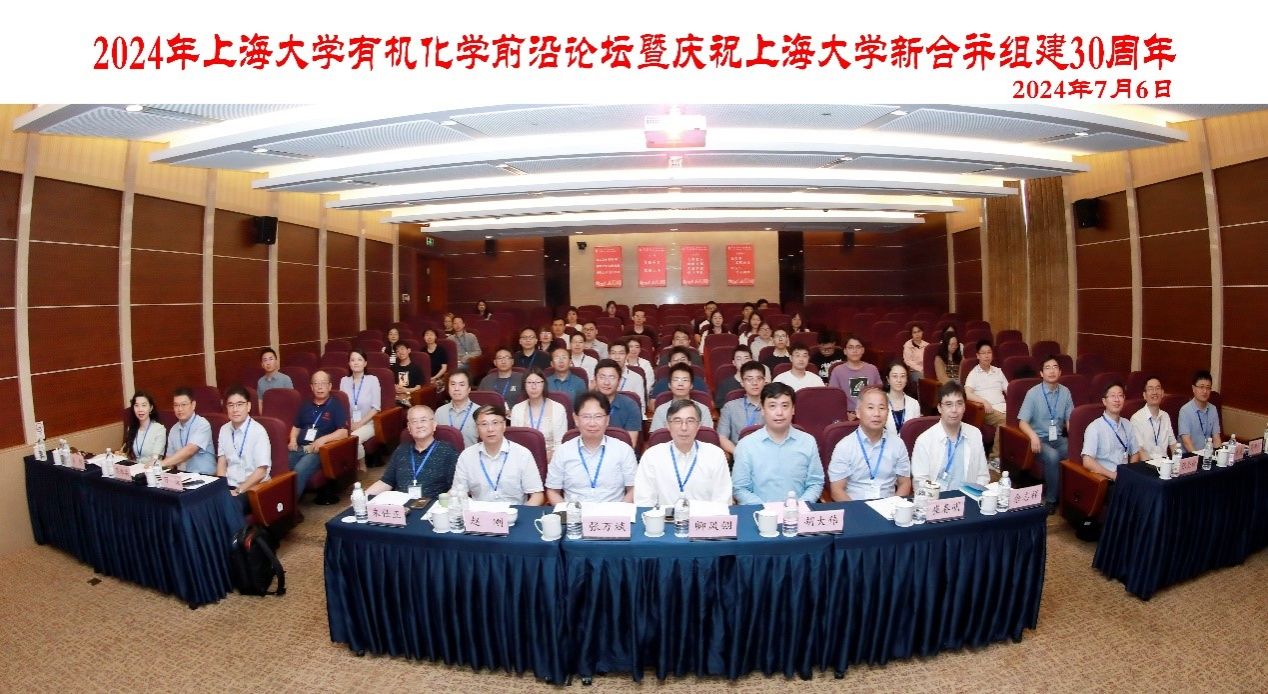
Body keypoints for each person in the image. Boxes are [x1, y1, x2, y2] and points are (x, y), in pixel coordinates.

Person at [732, 382, 824, 504]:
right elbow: (740, 488)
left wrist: (799, 506)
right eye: (772, 406)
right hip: (759, 512)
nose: (779, 412)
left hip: (799, 511)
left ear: (793, 409)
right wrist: (766, 509)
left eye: (785, 406)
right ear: (763, 410)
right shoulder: (746, 445)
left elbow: (815, 483)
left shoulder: (808, 441)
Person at [635, 400, 733, 507]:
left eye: (690, 421)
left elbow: (722, 500)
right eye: (677, 421)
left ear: (698, 425)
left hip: (705, 516)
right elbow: (644, 501)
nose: (684, 427)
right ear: (668, 425)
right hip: (664, 517)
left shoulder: (715, 455)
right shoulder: (652, 456)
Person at [545, 391, 638, 503]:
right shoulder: (563, 451)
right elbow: (552, 491)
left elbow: (633, 489)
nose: (592, 423)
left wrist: (619, 510)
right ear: (576, 419)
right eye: (586, 417)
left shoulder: (623, 450)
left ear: (607, 420)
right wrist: (567, 511)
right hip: (574, 512)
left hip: (612, 512)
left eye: (598, 417)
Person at [828, 386, 912, 501]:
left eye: (882, 408)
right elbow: (837, 490)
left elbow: (905, 483)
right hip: (855, 506)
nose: (877, 413)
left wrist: (894, 506)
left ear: (888, 413)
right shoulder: (844, 446)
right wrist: (859, 510)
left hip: (889, 507)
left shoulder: (898, 444)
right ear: (858, 412)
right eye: (870, 407)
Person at [451, 405, 545, 505]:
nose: (490, 429)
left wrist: (521, 512)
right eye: (484, 424)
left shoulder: (522, 454)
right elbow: (457, 492)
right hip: (480, 512)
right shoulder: (467, 456)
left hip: (514, 511)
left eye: (495, 423)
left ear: (504, 425)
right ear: (476, 428)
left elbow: (537, 495)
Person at [365, 405, 459, 500]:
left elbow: (456, 487)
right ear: (409, 428)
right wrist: (362, 497)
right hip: (401, 504)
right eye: (414, 421)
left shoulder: (447, 451)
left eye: (423, 420)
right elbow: (386, 482)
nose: (419, 425)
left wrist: (441, 505)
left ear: (434, 425)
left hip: (432, 505)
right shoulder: (401, 450)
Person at [1017, 355, 1075, 508]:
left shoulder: (1065, 392)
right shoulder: (1033, 393)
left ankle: (1071, 498)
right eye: (1047, 368)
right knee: (1053, 456)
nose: (1052, 371)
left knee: (1075, 452)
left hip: (1058, 438)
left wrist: (1076, 441)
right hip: (1039, 439)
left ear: (1060, 372)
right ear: (1041, 373)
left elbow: (1070, 421)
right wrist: (1033, 436)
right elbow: (1022, 422)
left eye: (1055, 367)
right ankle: (1051, 499)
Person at [910, 381, 990, 491]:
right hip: (936, 499)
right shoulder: (924, 440)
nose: (954, 410)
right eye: (948, 404)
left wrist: (974, 495)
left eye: (959, 404)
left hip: (969, 496)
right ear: (939, 408)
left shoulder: (974, 434)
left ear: (965, 407)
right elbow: (920, 483)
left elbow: (982, 476)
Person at [287, 370, 350, 501]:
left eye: (323, 383)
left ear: (330, 386)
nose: (319, 387)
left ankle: (290, 507)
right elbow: (296, 426)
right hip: (299, 447)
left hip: (319, 451)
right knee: (282, 466)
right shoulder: (305, 404)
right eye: (316, 383)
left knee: (300, 469)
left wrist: (323, 440)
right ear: (311, 387)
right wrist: (292, 440)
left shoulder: (335, 405)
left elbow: (343, 432)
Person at [216, 386, 272, 513]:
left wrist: (239, 490)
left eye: (239, 404)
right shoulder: (224, 430)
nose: (235, 409)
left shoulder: (258, 432)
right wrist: (221, 488)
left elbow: (261, 471)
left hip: (253, 487)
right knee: (205, 505)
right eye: (231, 405)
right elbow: (222, 462)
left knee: (228, 508)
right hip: (230, 485)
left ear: (248, 406)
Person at [1081, 381, 1141, 481]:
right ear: (1104, 401)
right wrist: (1113, 475)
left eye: (1120, 396)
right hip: (1106, 479)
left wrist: (1129, 472)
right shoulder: (1094, 427)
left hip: (1126, 477)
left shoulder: (1127, 424)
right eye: (1113, 396)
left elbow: (1135, 453)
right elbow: (1087, 461)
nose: (1117, 400)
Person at [963, 340, 1009, 459]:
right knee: (1006, 421)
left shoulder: (998, 371)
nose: (987, 355)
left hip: (1004, 407)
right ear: (977, 355)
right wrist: (984, 401)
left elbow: (1009, 390)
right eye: (983, 353)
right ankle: (995, 458)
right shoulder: (974, 373)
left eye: (989, 352)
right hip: (987, 409)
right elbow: (967, 394)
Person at [510, 369, 568, 459]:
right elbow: (515, 443)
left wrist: (546, 459)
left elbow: (560, 443)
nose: (534, 386)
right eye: (529, 382)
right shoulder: (517, 409)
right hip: (524, 459)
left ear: (544, 384)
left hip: (552, 459)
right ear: (524, 385)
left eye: (537, 382)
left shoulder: (558, 408)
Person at [340, 349, 381, 463]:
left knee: (353, 439)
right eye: (352, 360)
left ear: (365, 363)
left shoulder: (372, 380)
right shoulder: (344, 381)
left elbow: (376, 408)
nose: (356, 362)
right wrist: (350, 423)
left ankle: (361, 466)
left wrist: (360, 423)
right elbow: (342, 406)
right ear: (349, 363)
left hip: (369, 423)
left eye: (359, 359)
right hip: (349, 423)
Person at [717, 360, 767, 455]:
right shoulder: (730, 407)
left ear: (764, 381)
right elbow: (722, 437)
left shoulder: (773, 406)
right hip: (739, 454)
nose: (754, 383)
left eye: (759, 378)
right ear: (742, 382)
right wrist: (739, 454)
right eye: (749, 379)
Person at [592, 359, 643, 448]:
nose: (606, 382)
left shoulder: (630, 406)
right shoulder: (585, 405)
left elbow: (630, 444)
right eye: (602, 377)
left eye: (612, 377)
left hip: (621, 454)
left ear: (619, 381)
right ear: (595, 379)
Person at [165, 387, 216, 474]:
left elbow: (190, 451)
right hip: (183, 477)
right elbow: (169, 460)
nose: (180, 409)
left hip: (205, 477)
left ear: (193, 405)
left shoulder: (202, 424)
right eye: (176, 405)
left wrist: (161, 464)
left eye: (183, 404)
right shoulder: (174, 429)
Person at [827, 335, 881, 418]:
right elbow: (833, 398)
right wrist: (844, 414)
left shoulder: (872, 369)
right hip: (848, 415)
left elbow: (880, 394)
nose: (855, 351)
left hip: (871, 414)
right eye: (851, 347)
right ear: (845, 351)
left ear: (863, 350)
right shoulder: (837, 371)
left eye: (858, 347)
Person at [650, 363, 715, 431]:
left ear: (691, 385)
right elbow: (657, 436)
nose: (680, 384)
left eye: (685, 380)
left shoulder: (703, 410)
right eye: (676, 380)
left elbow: (707, 435)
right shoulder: (661, 410)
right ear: (669, 385)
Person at [1129, 377, 1177, 461]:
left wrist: (1177, 463)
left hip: (1165, 464)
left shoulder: (1165, 416)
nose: (1155, 392)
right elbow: (1140, 451)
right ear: (1144, 395)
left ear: (1162, 393)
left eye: (1157, 388)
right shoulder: (1136, 419)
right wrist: (1154, 467)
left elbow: (1173, 444)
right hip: (1147, 465)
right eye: (1150, 389)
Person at [1178, 369, 1223, 453]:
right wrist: (1198, 458)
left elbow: (1216, 437)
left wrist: (1219, 455)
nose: (1205, 391)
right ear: (1193, 388)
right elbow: (1186, 441)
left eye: (1208, 388)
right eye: (1201, 387)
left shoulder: (1213, 409)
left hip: (1207, 455)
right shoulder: (1185, 411)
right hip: (1189, 456)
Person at [434, 370, 478, 447]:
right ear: (448, 388)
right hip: (445, 454)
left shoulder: (479, 412)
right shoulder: (440, 412)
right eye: (453, 384)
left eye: (461, 385)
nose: (456, 388)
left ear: (469, 389)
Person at [122, 390, 166, 461]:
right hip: (135, 466)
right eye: (136, 405)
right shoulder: (131, 428)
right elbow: (126, 453)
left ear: (151, 408)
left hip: (152, 467)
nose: (140, 409)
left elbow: (156, 458)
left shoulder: (159, 429)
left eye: (144, 405)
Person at [882, 361, 921, 439]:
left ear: (906, 379)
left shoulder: (914, 403)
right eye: (895, 376)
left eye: (902, 376)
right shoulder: (880, 402)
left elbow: (915, 431)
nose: (899, 380)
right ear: (888, 379)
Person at [606, 342, 646, 409]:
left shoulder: (636, 378)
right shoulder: (602, 377)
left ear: (627, 355)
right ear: (609, 355)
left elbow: (641, 406)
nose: (617, 357)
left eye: (621, 353)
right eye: (613, 353)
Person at [391, 342, 426, 407]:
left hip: (411, 396)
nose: (400, 352)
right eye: (397, 351)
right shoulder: (393, 368)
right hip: (396, 396)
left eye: (402, 349)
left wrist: (407, 390)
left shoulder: (416, 368)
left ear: (409, 350)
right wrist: (395, 387)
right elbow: (391, 384)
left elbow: (419, 386)